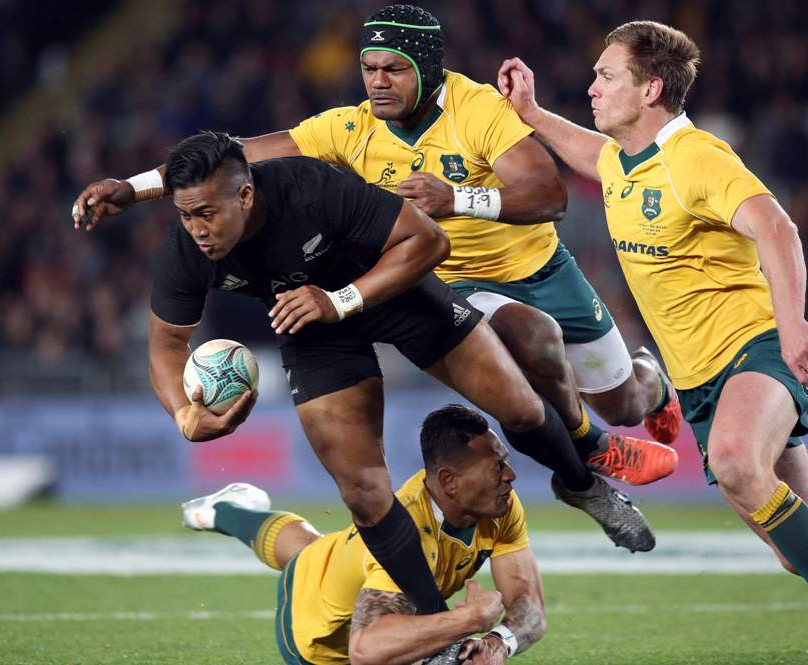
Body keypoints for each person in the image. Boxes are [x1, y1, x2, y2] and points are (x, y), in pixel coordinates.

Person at [71, 3, 681, 491]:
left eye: (393, 69)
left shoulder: (476, 108)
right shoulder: (348, 127)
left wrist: (456, 197)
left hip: (542, 268)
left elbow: (549, 195)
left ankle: (652, 386)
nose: (377, 82)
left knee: (626, 402)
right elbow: (235, 156)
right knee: (533, 337)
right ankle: (591, 452)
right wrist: (135, 186)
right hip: (454, 281)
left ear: (428, 69)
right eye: (369, 68)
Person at [497, 20, 808, 665]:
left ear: (650, 90)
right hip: (698, 382)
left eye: (607, 76)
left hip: (756, 350)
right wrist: (530, 114)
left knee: (733, 460)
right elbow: (593, 154)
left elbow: (776, 228)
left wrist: (793, 324)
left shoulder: (697, 157)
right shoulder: (624, 162)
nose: (592, 88)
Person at [141, 130, 652, 644]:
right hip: (313, 328)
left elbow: (430, 241)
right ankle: (435, 625)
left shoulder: (311, 188)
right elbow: (166, 342)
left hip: (394, 290)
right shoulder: (187, 249)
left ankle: (583, 488)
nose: (197, 230)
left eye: (206, 214)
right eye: (185, 216)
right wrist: (184, 414)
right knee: (363, 492)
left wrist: (340, 300)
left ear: (245, 195)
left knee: (520, 407)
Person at [182, 405, 546, 665]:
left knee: (311, 551)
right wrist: (468, 621)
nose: (510, 475)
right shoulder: (407, 533)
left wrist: (499, 641)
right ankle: (226, 512)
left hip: (334, 563)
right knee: (307, 562)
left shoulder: (499, 506)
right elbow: (365, 651)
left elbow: (529, 606)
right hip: (319, 638)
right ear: (449, 481)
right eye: (497, 467)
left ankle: (227, 509)